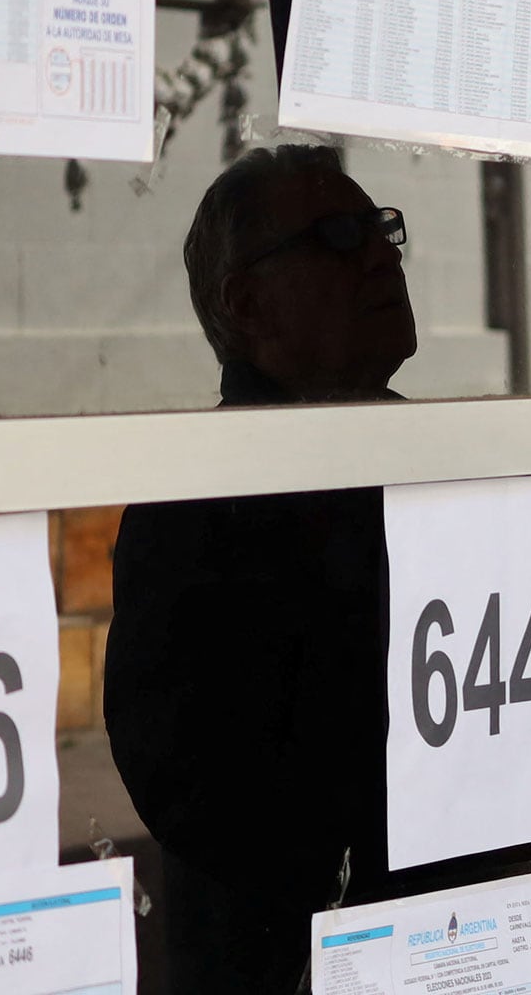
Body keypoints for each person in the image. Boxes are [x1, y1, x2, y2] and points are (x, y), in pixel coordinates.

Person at [104, 145, 417, 993]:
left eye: (383, 227)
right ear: (246, 304)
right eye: (342, 234)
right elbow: (199, 792)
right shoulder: (202, 502)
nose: (383, 251)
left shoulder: (430, 460)